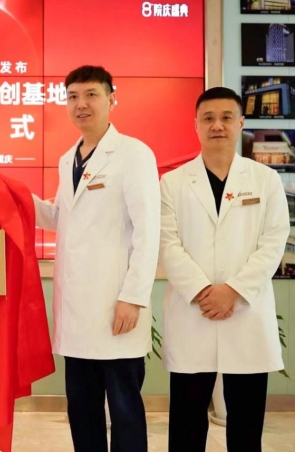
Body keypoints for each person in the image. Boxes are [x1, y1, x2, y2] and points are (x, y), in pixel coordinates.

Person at [32, 65, 160, 452]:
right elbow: (61, 216)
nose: (81, 104)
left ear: (111, 99)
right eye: (73, 96)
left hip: (116, 307)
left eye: (91, 94)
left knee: (124, 410)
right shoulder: (67, 159)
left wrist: (133, 297)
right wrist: (14, 198)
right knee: (82, 409)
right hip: (77, 314)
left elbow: (148, 230)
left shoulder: (133, 154)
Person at [159, 87, 290, 452]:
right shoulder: (172, 183)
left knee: (246, 425)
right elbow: (168, 244)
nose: (217, 125)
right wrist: (205, 292)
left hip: (245, 311)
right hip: (193, 311)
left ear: (241, 123)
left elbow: (274, 241)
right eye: (208, 118)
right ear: (196, 125)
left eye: (226, 117)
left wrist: (232, 291)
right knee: (186, 423)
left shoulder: (265, 179)